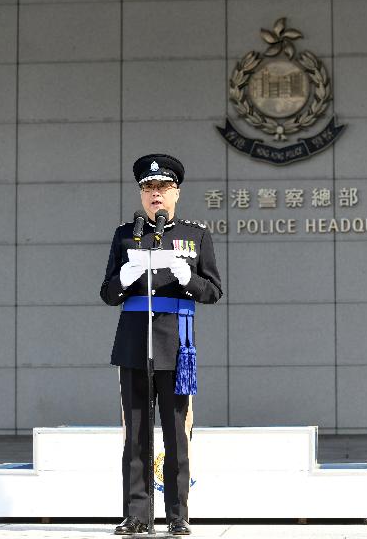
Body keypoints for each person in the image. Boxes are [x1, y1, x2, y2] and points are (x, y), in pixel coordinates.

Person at [100, 154, 222, 536]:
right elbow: (107, 293)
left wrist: (189, 278)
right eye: (148, 189)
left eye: (162, 188)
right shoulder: (125, 235)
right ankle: (136, 514)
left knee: (175, 436)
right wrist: (125, 275)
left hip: (175, 347)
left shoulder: (196, 234)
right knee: (135, 434)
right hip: (135, 345)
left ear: (176, 193)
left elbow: (214, 291)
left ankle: (177, 514)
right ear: (141, 195)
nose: (155, 195)